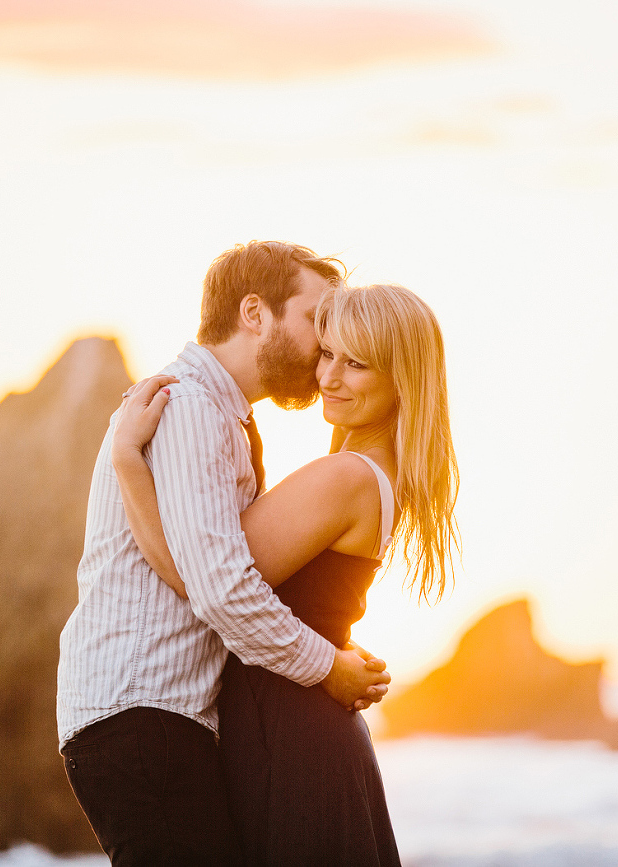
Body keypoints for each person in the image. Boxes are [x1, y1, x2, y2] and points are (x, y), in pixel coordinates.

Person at [56, 241, 394, 866]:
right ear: (255, 313)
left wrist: (129, 464)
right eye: (316, 320)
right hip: (144, 714)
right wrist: (329, 666)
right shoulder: (188, 408)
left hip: (160, 715)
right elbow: (219, 587)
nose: (325, 346)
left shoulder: (221, 418)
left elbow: (201, 576)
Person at [113, 282, 460, 865]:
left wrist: (128, 464)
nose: (328, 377)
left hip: (292, 732)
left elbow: (200, 579)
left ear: (401, 379)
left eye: (357, 364)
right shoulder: (376, 474)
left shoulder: (345, 476)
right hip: (296, 724)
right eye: (327, 353)